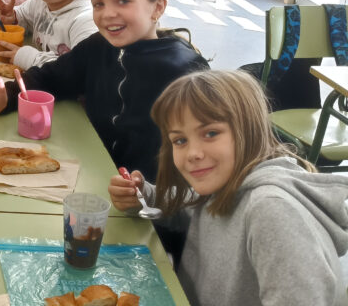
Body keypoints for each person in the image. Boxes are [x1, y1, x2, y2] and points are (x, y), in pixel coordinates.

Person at [109, 70, 348, 305]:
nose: (193, 153)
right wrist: (144, 197)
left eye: (211, 133)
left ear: (249, 130)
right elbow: (189, 207)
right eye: (180, 140)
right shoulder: (225, 181)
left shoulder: (273, 211)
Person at [0, 0, 209, 181]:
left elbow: (202, 156)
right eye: (98, 4)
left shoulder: (183, 72)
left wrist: (149, 193)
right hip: (93, 171)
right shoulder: (99, 46)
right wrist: (7, 97)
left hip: (150, 196)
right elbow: (52, 77)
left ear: (157, 8)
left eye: (123, 1)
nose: (108, 14)